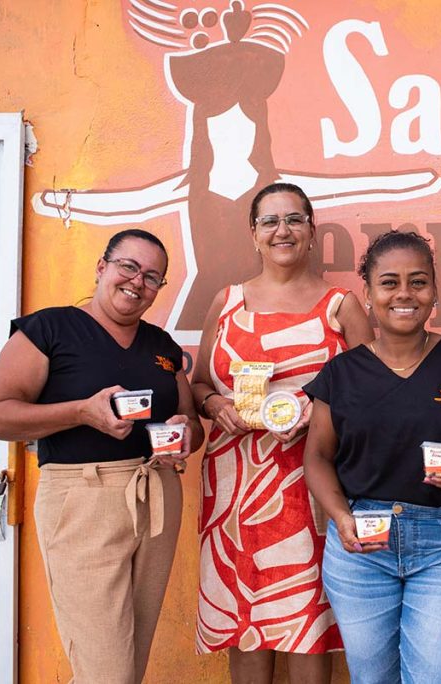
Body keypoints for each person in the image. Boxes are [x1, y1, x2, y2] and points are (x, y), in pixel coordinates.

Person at [0, 228, 204, 683]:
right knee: (106, 669)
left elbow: (191, 426)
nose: (138, 282)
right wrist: (82, 412)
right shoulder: (48, 330)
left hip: (156, 493)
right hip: (83, 497)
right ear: (102, 267)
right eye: (128, 267)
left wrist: (184, 434)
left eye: (152, 277)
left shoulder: (161, 345)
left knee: (130, 660)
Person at [303, 230, 441, 684]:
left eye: (418, 282)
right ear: (368, 294)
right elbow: (316, 456)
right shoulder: (342, 372)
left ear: (434, 291)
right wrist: (340, 517)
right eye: (389, 282)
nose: (404, 294)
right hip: (362, 545)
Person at [190, 182, 372, 683]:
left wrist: (320, 412)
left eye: (294, 219)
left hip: (309, 483)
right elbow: (199, 382)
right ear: (254, 234)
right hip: (233, 489)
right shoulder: (226, 301)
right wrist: (215, 405)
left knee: (305, 616)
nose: (282, 230)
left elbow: (372, 393)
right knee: (243, 617)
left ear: (312, 231)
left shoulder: (341, 306)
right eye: (269, 221)